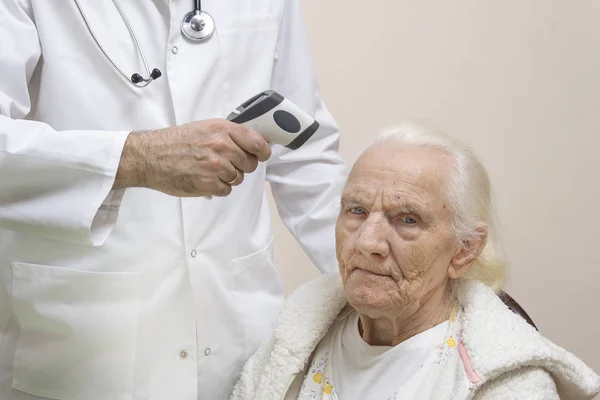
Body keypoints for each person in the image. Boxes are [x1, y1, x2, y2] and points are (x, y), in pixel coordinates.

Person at [0, 1, 346, 399]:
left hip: (237, 334)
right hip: (83, 345)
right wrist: (135, 158)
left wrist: (380, 272)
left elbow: (304, 149)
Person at [230, 122, 600, 400]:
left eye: (408, 219)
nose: (368, 242)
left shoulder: (512, 387)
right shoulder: (294, 342)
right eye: (356, 210)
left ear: (464, 250)